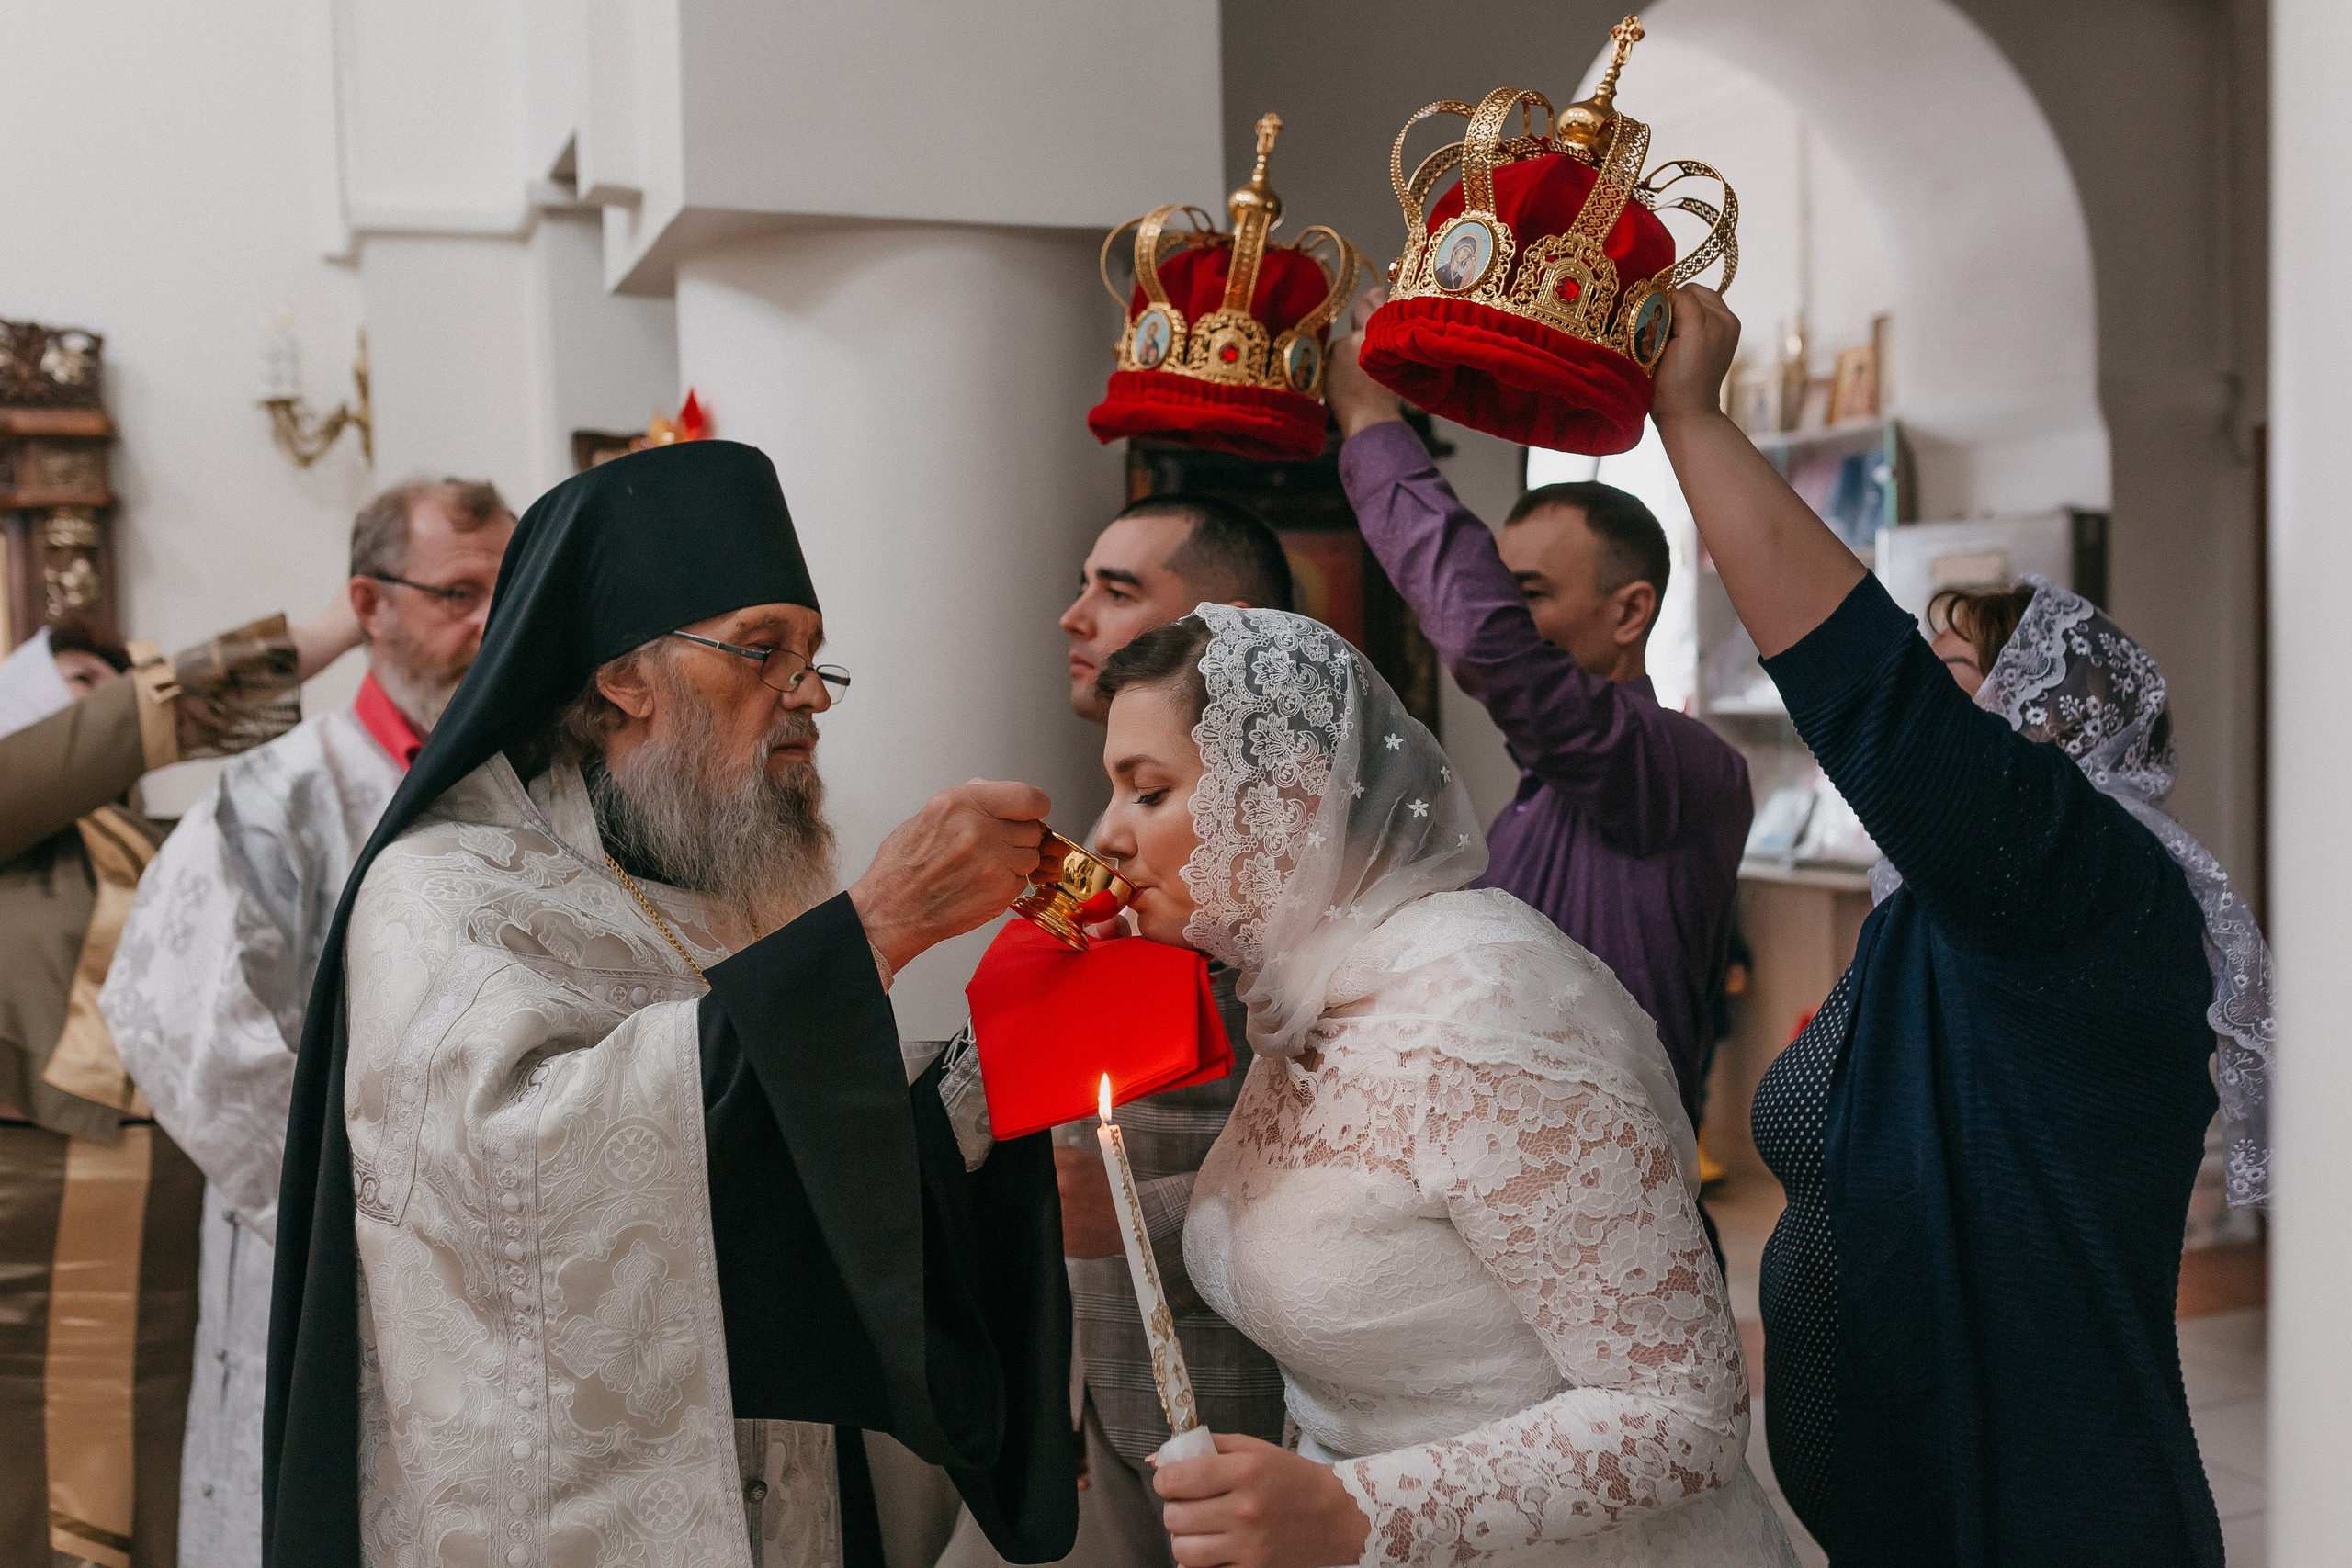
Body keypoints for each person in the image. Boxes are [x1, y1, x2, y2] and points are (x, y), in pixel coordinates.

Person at [265, 439, 1078, 1568]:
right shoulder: (443, 894)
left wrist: (986, 1078)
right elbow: (513, 1184)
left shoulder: (716, 883)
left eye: (812, 658)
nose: (805, 696)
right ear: (621, 675)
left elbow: (775, 1152)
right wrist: (870, 932)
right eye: (760, 650)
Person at [1652, 285, 2269, 1563]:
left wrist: (1693, 421)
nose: (1925, 742)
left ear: (2046, 732)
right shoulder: (1941, 909)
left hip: (2044, 1511)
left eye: (1959, 692)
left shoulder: (2078, 879)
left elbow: (1874, 703)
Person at [1092, 607, 1796, 1568]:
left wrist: (1356, 1512)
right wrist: (1145, 1211)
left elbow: (1683, 1413)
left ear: (1288, 796)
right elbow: (1369, 1207)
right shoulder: (1313, 990)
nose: (1105, 838)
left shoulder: (1487, 1015)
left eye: (1148, 793)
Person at [99, 479, 514, 1568]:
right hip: (331, 1250)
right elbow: (186, 1033)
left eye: (507, 592)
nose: (489, 625)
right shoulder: (271, 798)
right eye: (456, 594)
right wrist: (376, 1215)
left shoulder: (546, 791)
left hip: (510, 1264)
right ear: (369, 606)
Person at [941, 494, 1295, 1568]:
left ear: (1218, 622)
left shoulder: (1282, 855)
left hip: (1254, 1377)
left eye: (1119, 588)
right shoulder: (1110, 844)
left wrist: (1130, 1215)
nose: (1072, 613)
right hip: (1113, 1360)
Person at [1325, 299, 1752, 1135]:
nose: (1503, 617)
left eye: (1529, 598)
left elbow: (1492, 649)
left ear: (1630, 613)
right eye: (1505, 592)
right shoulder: (1536, 803)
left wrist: (1371, 416)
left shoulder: (1680, 768)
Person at [0, 604, 354, 1568]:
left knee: (174, 1471)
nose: (105, 707)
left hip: (179, 1215)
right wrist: (341, 620)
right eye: (79, 685)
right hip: (36, 1223)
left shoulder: (169, 838)